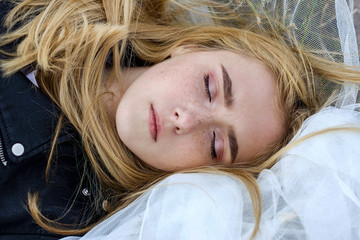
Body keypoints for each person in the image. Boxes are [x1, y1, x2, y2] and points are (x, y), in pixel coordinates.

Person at [0, 0, 359, 239]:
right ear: (191, 47)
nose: (186, 120)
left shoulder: (60, 218)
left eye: (217, 143)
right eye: (209, 86)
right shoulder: (40, 10)